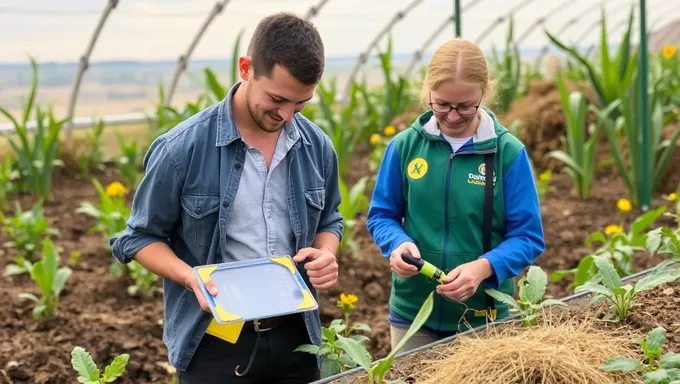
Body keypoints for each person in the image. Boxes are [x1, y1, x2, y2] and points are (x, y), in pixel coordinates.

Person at [110, 12, 343, 383]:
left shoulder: (316, 146)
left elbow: (330, 219)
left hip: (297, 336)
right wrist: (191, 279)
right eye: (278, 99)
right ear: (246, 68)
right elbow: (139, 238)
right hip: (214, 339)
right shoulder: (181, 149)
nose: (286, 115)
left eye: (300, 105)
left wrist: (326, 252)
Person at [366, 38, 545, 352]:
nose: (452, 116)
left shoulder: (507, 153)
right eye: (442, 104)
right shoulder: (405, 147)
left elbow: (528, 237)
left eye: (465, 106)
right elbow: (382, 215)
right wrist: (397, 243)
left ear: (483, 94)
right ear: (429, 92)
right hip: (414, 315)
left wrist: (484, 267)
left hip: (483, 318)